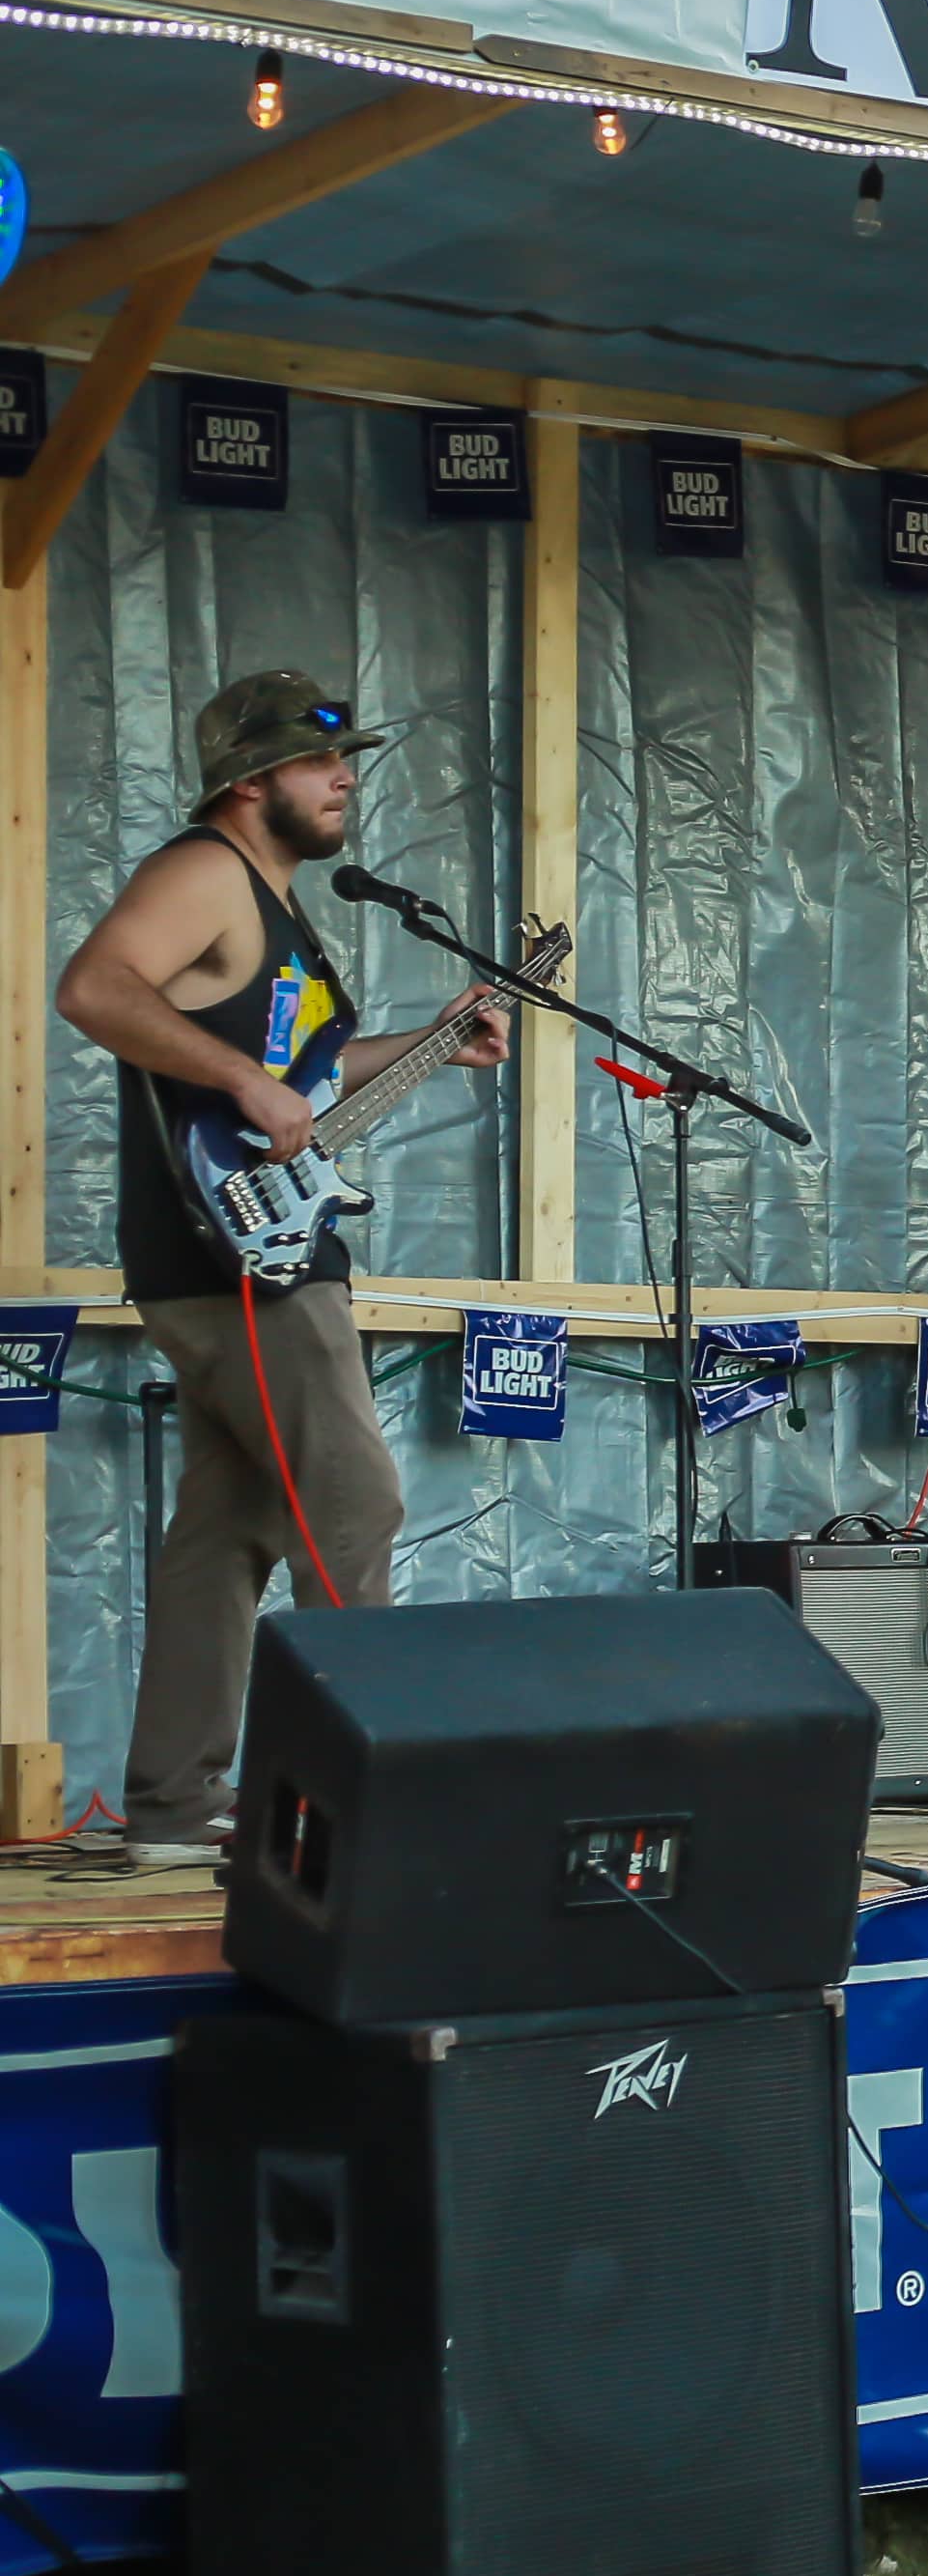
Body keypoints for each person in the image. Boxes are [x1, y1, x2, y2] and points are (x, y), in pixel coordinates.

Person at [55, 672, 509, 1844]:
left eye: (348, 757)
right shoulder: (204, 868)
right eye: (321, 762)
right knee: (353, 1503)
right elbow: (93, 986)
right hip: (240, 1259)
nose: (346, 774)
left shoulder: (279, 904)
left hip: (235, 1250)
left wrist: (437, 1041)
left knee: (231, 1525)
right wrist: (242, 1079)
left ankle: (170, 1799)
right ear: (251, 780)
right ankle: (369, 1807)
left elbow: (306, 1078)